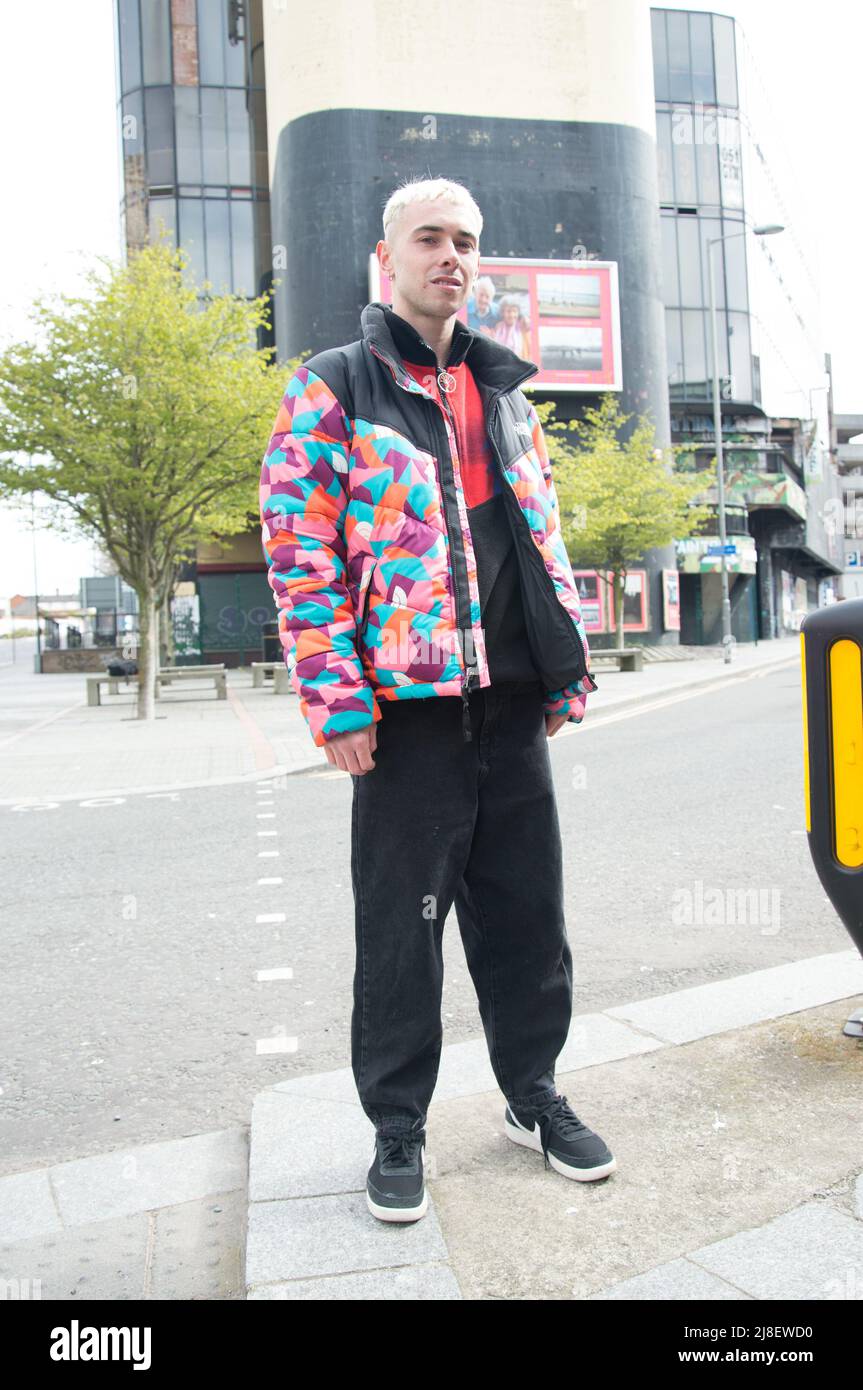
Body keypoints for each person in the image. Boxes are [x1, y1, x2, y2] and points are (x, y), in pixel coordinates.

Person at [259, 176, 615, 1224]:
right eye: (429, 238)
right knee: (400, 933)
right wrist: (335, 698)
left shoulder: (506, 394)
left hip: (511, 708)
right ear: (387, 256)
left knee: (526, 919)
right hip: (403, 717)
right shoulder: (331, 387)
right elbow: (298, 550)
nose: (450, 255)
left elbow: (536, 537)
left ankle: (529, 1094)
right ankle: (397, 1127)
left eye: (465, 241)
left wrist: (563, 668)